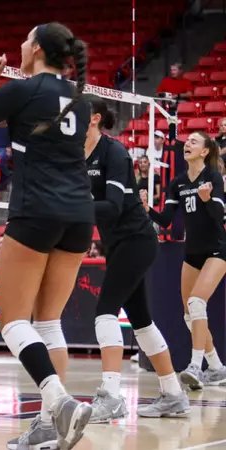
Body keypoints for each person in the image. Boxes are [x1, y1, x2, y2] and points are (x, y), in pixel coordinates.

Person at [0, 23, 94, 450]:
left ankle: (60, 402)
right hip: (79, 215)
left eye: (24, 39)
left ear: (34, 49)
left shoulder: (24, 89)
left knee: (13, 321)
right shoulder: (80, 98)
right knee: (48, 322)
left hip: (37, 211)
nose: (19, 44)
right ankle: (50, 423)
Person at [83, 94, 190, 422]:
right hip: (117, 244)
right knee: (141, 321)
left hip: (137, 240)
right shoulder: (74, 156)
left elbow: (113, 206)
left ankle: (111, 397)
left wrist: (70, 207)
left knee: (104, 312)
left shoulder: (114, 152)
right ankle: (173, 394)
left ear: (95, 118)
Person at [142, 131, 226, 390]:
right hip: (192, 252)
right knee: (190, 315)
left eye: (194, 141)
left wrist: (207, 199)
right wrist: (147, 210)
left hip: (218, 249)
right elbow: (166, 220)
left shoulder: (213, 177)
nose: (187, 143)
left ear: (205, 151)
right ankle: (216, 368)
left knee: (197, 302)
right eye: (187, 141)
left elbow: (220, 215)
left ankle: (195, 366)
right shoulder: (178, 182)